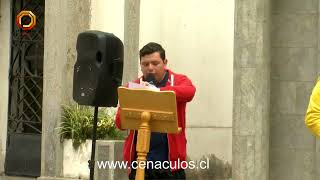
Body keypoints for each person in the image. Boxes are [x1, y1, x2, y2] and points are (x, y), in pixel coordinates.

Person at [115, 42, 196, 179]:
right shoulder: (133, 86)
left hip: (170, 166)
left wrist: (156, 91)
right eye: (145, 64)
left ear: (165, 63)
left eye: (155, 63)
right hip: (140, 164)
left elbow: (190, 92)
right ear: (140, 65)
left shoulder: (178, 80)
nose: (150, 68)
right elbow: (119, 123)